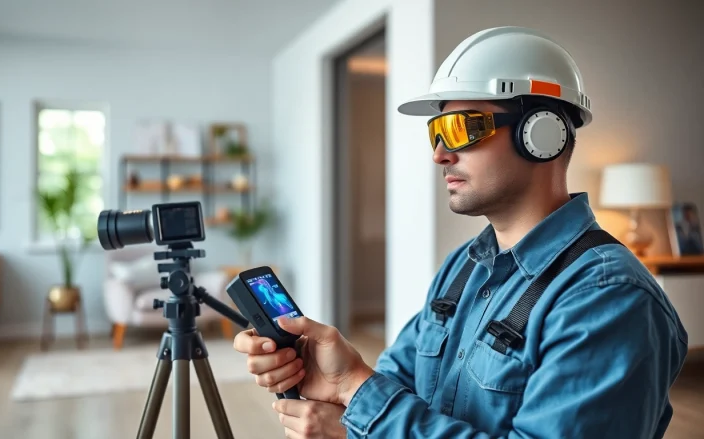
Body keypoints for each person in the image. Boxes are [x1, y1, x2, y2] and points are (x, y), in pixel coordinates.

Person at [233, 26, 689, 438]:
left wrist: (357, 398)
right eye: (436, 131)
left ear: (542, 134)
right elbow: (398, 383)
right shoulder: (464, 267)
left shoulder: (607, 297)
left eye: (461, 128)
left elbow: (373, 402)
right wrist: (335, 384)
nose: (439, 153)